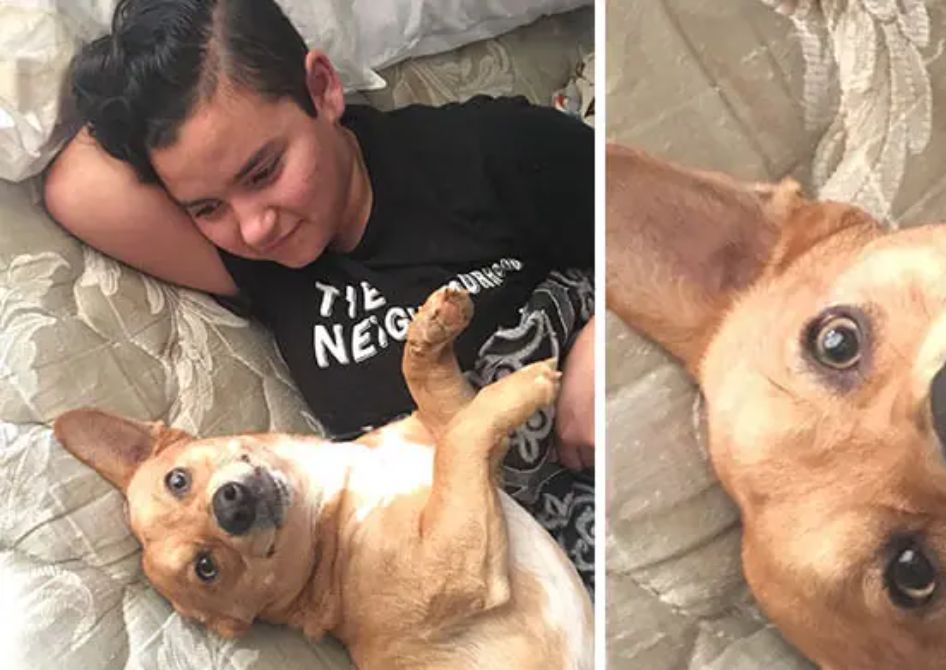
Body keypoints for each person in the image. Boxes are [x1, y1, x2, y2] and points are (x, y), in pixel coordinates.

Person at [43, 0, 595, 588]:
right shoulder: (263, 265)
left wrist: (602, 337)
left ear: (324, 88)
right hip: (493, 578)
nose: (254, 226)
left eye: (263, 173)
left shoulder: (492, 151)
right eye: (207, 207)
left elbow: (664, 234)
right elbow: (77, 185)